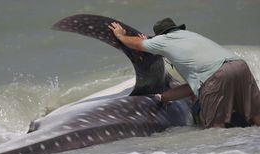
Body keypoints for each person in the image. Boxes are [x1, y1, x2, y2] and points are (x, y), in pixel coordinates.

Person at [108, 17, 260, 128]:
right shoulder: (191, 36)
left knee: (215, 129)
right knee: (255, 115)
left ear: (161, 35)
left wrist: (121, 35)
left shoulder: (163, 40)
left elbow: (134, 44)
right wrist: (164, 97)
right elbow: (197, 84)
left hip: (217, 75)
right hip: (240, 66)